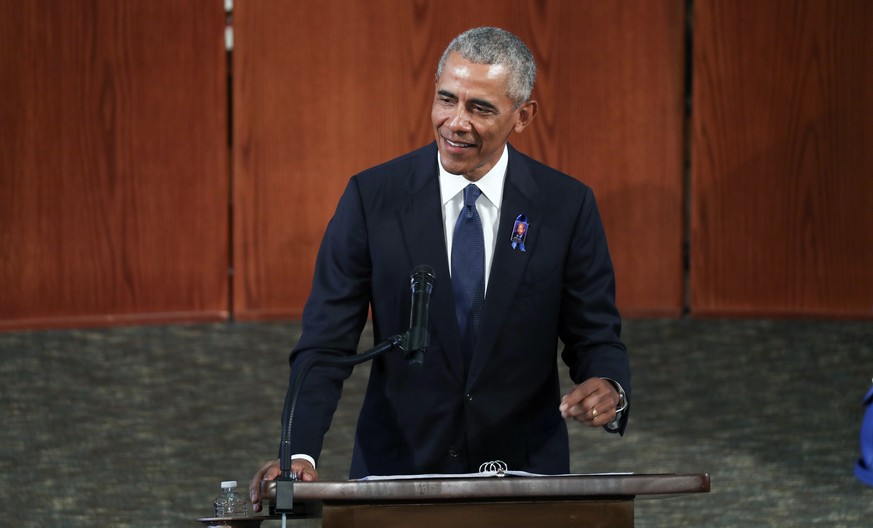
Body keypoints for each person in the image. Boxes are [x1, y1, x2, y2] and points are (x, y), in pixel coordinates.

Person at [250, 26, 630, 512]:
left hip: (523, 478)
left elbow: (595, 335)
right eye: (446, 100)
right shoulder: (373, 199)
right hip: (399, 472)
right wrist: (298, 452)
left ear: (523, 116)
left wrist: (611, 386)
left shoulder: (565, 206)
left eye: (480, 108)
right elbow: (326, 345)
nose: (456, 122)